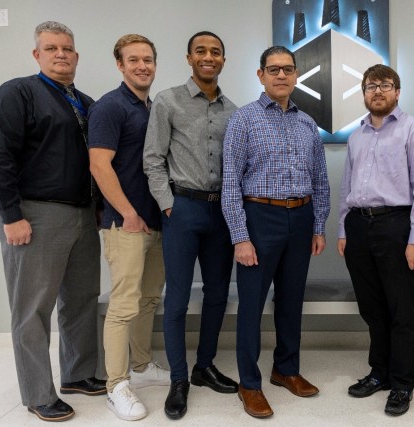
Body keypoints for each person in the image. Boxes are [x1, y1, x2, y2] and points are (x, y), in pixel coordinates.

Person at [0, 21, 105, 422]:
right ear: (37, 54)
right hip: (35, 214)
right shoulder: (18, 92)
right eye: (51, 48)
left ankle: (79, 373)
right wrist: (10, 215)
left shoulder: (84, 101)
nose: (61, 54)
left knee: (82, 299)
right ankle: (37, 394)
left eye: (67, 48)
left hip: (83, 214)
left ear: (77, 55)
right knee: (33, 310)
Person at [222, 46, 330, 418]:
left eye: (287, 69)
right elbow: (230, 183)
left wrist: (318, 225)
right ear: (261, 75)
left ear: (296, 74)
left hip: (300, 219)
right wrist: (240, 236)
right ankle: (249, 384)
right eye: (273, 69)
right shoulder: (244, 119)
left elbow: (320, 179)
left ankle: (286, 369)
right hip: (259, 218)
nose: (281, 75)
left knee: (290, 300)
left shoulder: (307, 123)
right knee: (251, 305)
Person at [143, 31, 239, 420]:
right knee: (178, 299)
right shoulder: (167, 101)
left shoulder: (234, 109)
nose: (208, 57)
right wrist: (169, 206)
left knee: (218, 294)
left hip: (221, 214)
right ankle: (179, 379)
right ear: (188, 58)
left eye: (215, 52)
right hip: (182, 209)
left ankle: (204, 366)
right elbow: (153, 159)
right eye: (201, 51)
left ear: (223, 60)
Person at [338, 64, 414, 416]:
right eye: (370, 86)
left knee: (400, 310)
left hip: (397, 226)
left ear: (397, 91)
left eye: (385, 85)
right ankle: (378, 373)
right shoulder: (356, 136)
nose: (377, 91)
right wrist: (342, 229)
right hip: (359, 227)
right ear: (363, 93)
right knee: (372, 309)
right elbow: (347, 188)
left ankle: (402, 383)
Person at [88, 34, 170, 421]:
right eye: (133, 60)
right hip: (126, 223)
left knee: (149, 299)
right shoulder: (110, 107)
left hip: (155, 222)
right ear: (120, 65)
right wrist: (128, 213)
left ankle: (140, 368)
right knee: (123, 306)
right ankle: (116, 385)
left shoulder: (152, 107)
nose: (142, 66)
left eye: (148, 59)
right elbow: (99, 166)